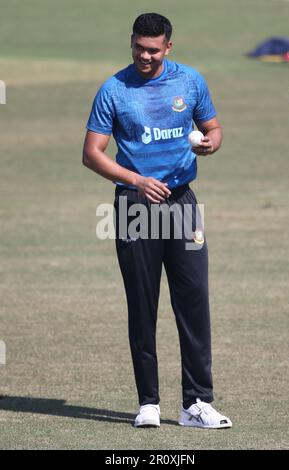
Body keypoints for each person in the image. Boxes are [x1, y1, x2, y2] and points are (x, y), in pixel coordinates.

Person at [83, 12, 232, 429]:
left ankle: (196, 404)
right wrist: (137, 181)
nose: (144, 56)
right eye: (138, 47)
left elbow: (214, 128)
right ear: (131, 42)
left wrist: (210, 144)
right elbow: (92, 153)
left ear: (169, 47)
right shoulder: (114, 89)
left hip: (183, 201)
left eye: (153, 49)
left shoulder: (190, 82)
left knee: (194, 300)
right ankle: (148, 402)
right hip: (134, 205)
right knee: (141, 303)